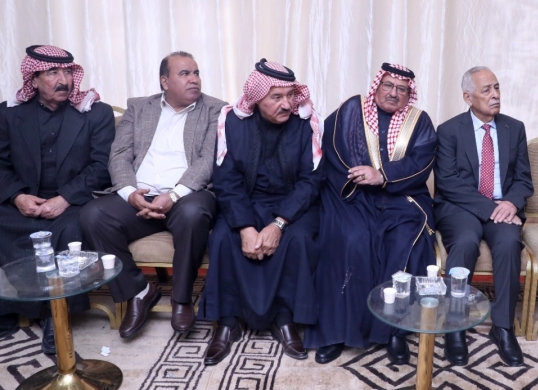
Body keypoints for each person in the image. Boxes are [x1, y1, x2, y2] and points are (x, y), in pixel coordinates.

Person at [80, 52, 226, 339]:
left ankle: (181, 299)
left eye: (196, 73)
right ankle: (139, 291)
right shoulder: (139, 107)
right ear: (164, 81)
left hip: (187, 194)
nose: (194, 79)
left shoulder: (216, 110)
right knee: (93, 215)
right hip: (141, 194)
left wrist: (173, 195)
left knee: (194, 213)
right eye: (184, 73)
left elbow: (207, 161)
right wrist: (130, 193)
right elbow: (119, 155)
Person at [306, 63, 437, 365]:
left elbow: (421, 161)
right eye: (388, 86)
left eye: (401, 89)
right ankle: (336, 331)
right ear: (376, 86)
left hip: (402, 197)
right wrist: (360, 177)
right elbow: (331, 151)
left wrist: (383, 175)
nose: (393, 93)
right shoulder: (351, 111)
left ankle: (395, 330)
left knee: (404, 241)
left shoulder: (419, 121)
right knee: (351, 239)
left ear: (409, 94)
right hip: (353, 195)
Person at [197, 59, 323, 365]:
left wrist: (278, 224)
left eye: (290, 95)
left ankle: (285, 319)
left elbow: (311, 181)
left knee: (298, 240)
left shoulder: (305, 123)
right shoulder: (233, 121)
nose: (287, 104)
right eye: (276, 97)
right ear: (256, 98)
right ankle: (228, 322)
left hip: (294, 206)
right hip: (246, 202)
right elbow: (226, 180)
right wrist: (245, 227)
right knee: (223, 238)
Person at [0, 45, 114, 353]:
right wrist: (17, 196)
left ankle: (56, 317)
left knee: (71, 230)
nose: (63, 80)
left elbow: (101, 167)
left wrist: (64, 199)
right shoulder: (9, 114)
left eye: (67, 72)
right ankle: (6, 309)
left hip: (74, 201)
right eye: (53, 73)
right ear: (34, 79)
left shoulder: (96, 113)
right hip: (25, 201)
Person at [434, 67, 533, 367]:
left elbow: (524, 179)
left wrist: (511, 204)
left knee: (509, 244)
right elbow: (448, 182)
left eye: (497, 88)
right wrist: (493, 209)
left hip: (503, 207)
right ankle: (455, 325)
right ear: (468, 97)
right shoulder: (449, 130)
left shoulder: (514, 128)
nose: (495, 95)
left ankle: (502, 327)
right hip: (460, 207)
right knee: (465, 243)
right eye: (487, 90)